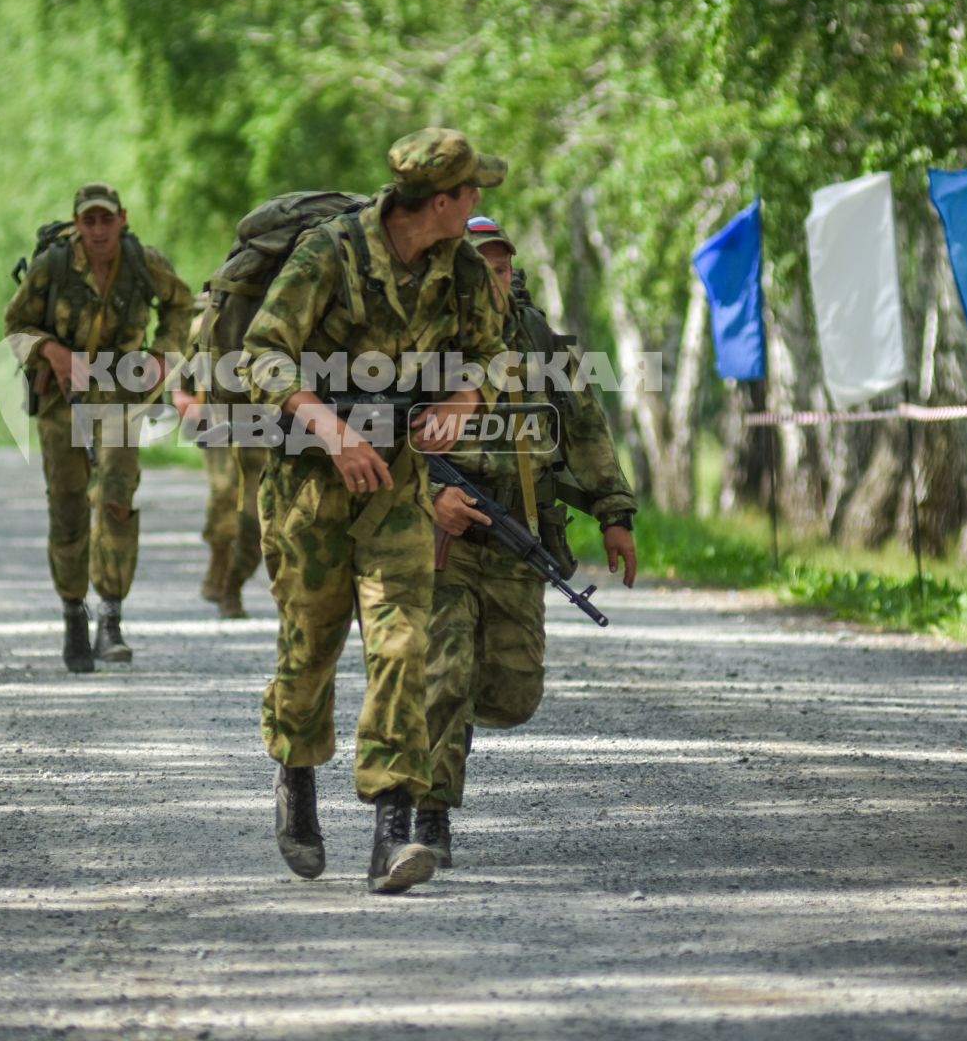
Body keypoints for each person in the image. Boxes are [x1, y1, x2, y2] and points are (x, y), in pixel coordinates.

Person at [241, 128, 507, 894]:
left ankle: (393, 828)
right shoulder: (331, 252)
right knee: (310, 649)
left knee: (401, 643)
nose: (481, 202)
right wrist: (330, 430)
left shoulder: (458, 267)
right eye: (472, 191)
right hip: (310, 482)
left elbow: (494, 352)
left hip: (396, 481)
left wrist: (463, 395)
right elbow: (262, 351)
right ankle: (295, 776)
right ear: (443, 200)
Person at [419, 215, 637, 868]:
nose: (494, 274)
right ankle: (427, 814)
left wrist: (614, 512)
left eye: (503, 264)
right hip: (441, 535)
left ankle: (440, 731)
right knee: (445, 674)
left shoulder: (537, 338)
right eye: (479, 263)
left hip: (518, 533)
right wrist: (429, 497)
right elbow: (373, 429)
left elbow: (586, 426)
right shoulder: (420, 336)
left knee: (514, 694)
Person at [4, 182, 193, 672]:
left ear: (122, 219)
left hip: (121, 395)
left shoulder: (141, 262)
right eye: (89, 221)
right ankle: (73, 614)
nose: (99, 229)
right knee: (67, 506)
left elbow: (181, 305)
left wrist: (162, 354)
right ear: (78, 225)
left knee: (116, 498)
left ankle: (111, 617)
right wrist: (52, 351)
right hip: (62, 397)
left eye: (106, 219)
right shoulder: (54, 267)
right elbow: (15, 328)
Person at [171, 308, 266, 619]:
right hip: (218, 417)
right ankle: (221, 564)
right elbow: (178, 363)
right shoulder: (212, 316)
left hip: (270, 425)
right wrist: (179, 396)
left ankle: (233, 582)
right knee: (225, 494)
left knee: (257, 515)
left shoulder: (290, 305)